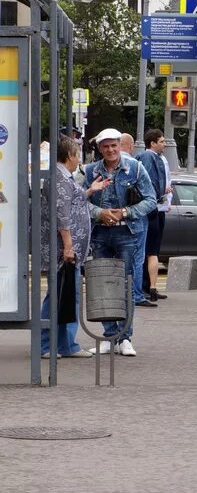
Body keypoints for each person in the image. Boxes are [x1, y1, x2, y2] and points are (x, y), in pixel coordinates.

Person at [83, 128, 157, 356]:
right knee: (103, 285)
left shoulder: (134, 168)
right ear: (99, 148)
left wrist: (125, 212)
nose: (110, 150)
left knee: (125, 284)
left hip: (127, 233)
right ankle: (109, 336)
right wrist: (99, 213)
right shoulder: (90, 171)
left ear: (119, 145)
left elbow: (151, 200)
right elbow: (80, 200)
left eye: (113, 145)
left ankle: (125, 337)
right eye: (105, 146)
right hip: (100, 234)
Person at [40, 135, 108, 359]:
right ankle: (50, 345)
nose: (79, 157)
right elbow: (62, 215)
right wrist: (68, 246)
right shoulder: (59, 178)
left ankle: (63, 344)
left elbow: (72, 200)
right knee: (61, 295)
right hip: (64, 251)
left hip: (69, 250)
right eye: (77, 153)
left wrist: (90, 190)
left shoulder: (63, 177)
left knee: (66, 295)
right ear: (69, 155)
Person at [116, 132, 155, 308]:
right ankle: (136, 295)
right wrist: (128, 212)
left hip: (109, 223)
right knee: (136, 259)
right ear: (130, 146)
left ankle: (116, 295)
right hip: (135, 221)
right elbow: (150, 199)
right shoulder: (135, 166)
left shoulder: (100, 166)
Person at [138, 129, 172, 302]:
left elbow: (165, 180)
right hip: (152, 209)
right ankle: (145, 287)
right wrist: (161, 193)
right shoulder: (148, 157)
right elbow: (150, 183)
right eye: (162, 141)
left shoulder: (159, 158)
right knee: (149, 250)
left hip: (160, 208)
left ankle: (150, 286)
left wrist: (166, 199)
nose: (165, 144)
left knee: (154, 250)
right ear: (152, 143)